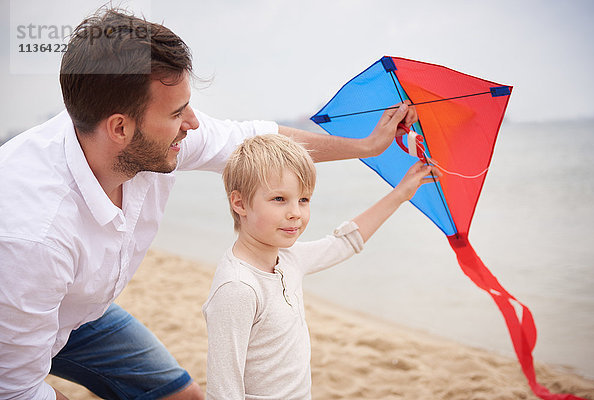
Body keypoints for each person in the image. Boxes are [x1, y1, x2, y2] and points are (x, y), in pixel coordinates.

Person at [0, 7, 419, 400]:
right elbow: (16, 389)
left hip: (84, 311)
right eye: (178, 113)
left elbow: (262, 141)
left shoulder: (154, 138)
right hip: (16, 315)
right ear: (120, 128)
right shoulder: (33, 235)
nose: (193, 124)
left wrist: (367, 146)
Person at [203, 134, 435, 399]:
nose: (296, 213)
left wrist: (401, 194)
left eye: (303, 200)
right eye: (279, 199)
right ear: (240, 203)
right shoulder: (237, 288)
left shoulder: (287, 257)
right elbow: (224, 390)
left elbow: (344, 243)